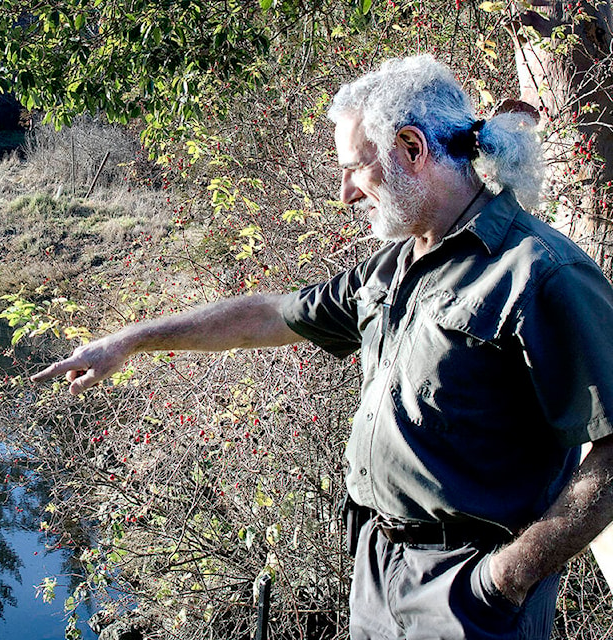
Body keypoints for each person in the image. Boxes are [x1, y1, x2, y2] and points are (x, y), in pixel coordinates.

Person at [31, 55, 613, 639]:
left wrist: (505, 579)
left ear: (413, 150)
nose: (344, 194)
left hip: (469, 598)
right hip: (375, 575)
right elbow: (269, 315)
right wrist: (130, 342)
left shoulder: (540, 273)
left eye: (355, 170)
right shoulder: (394, 266)